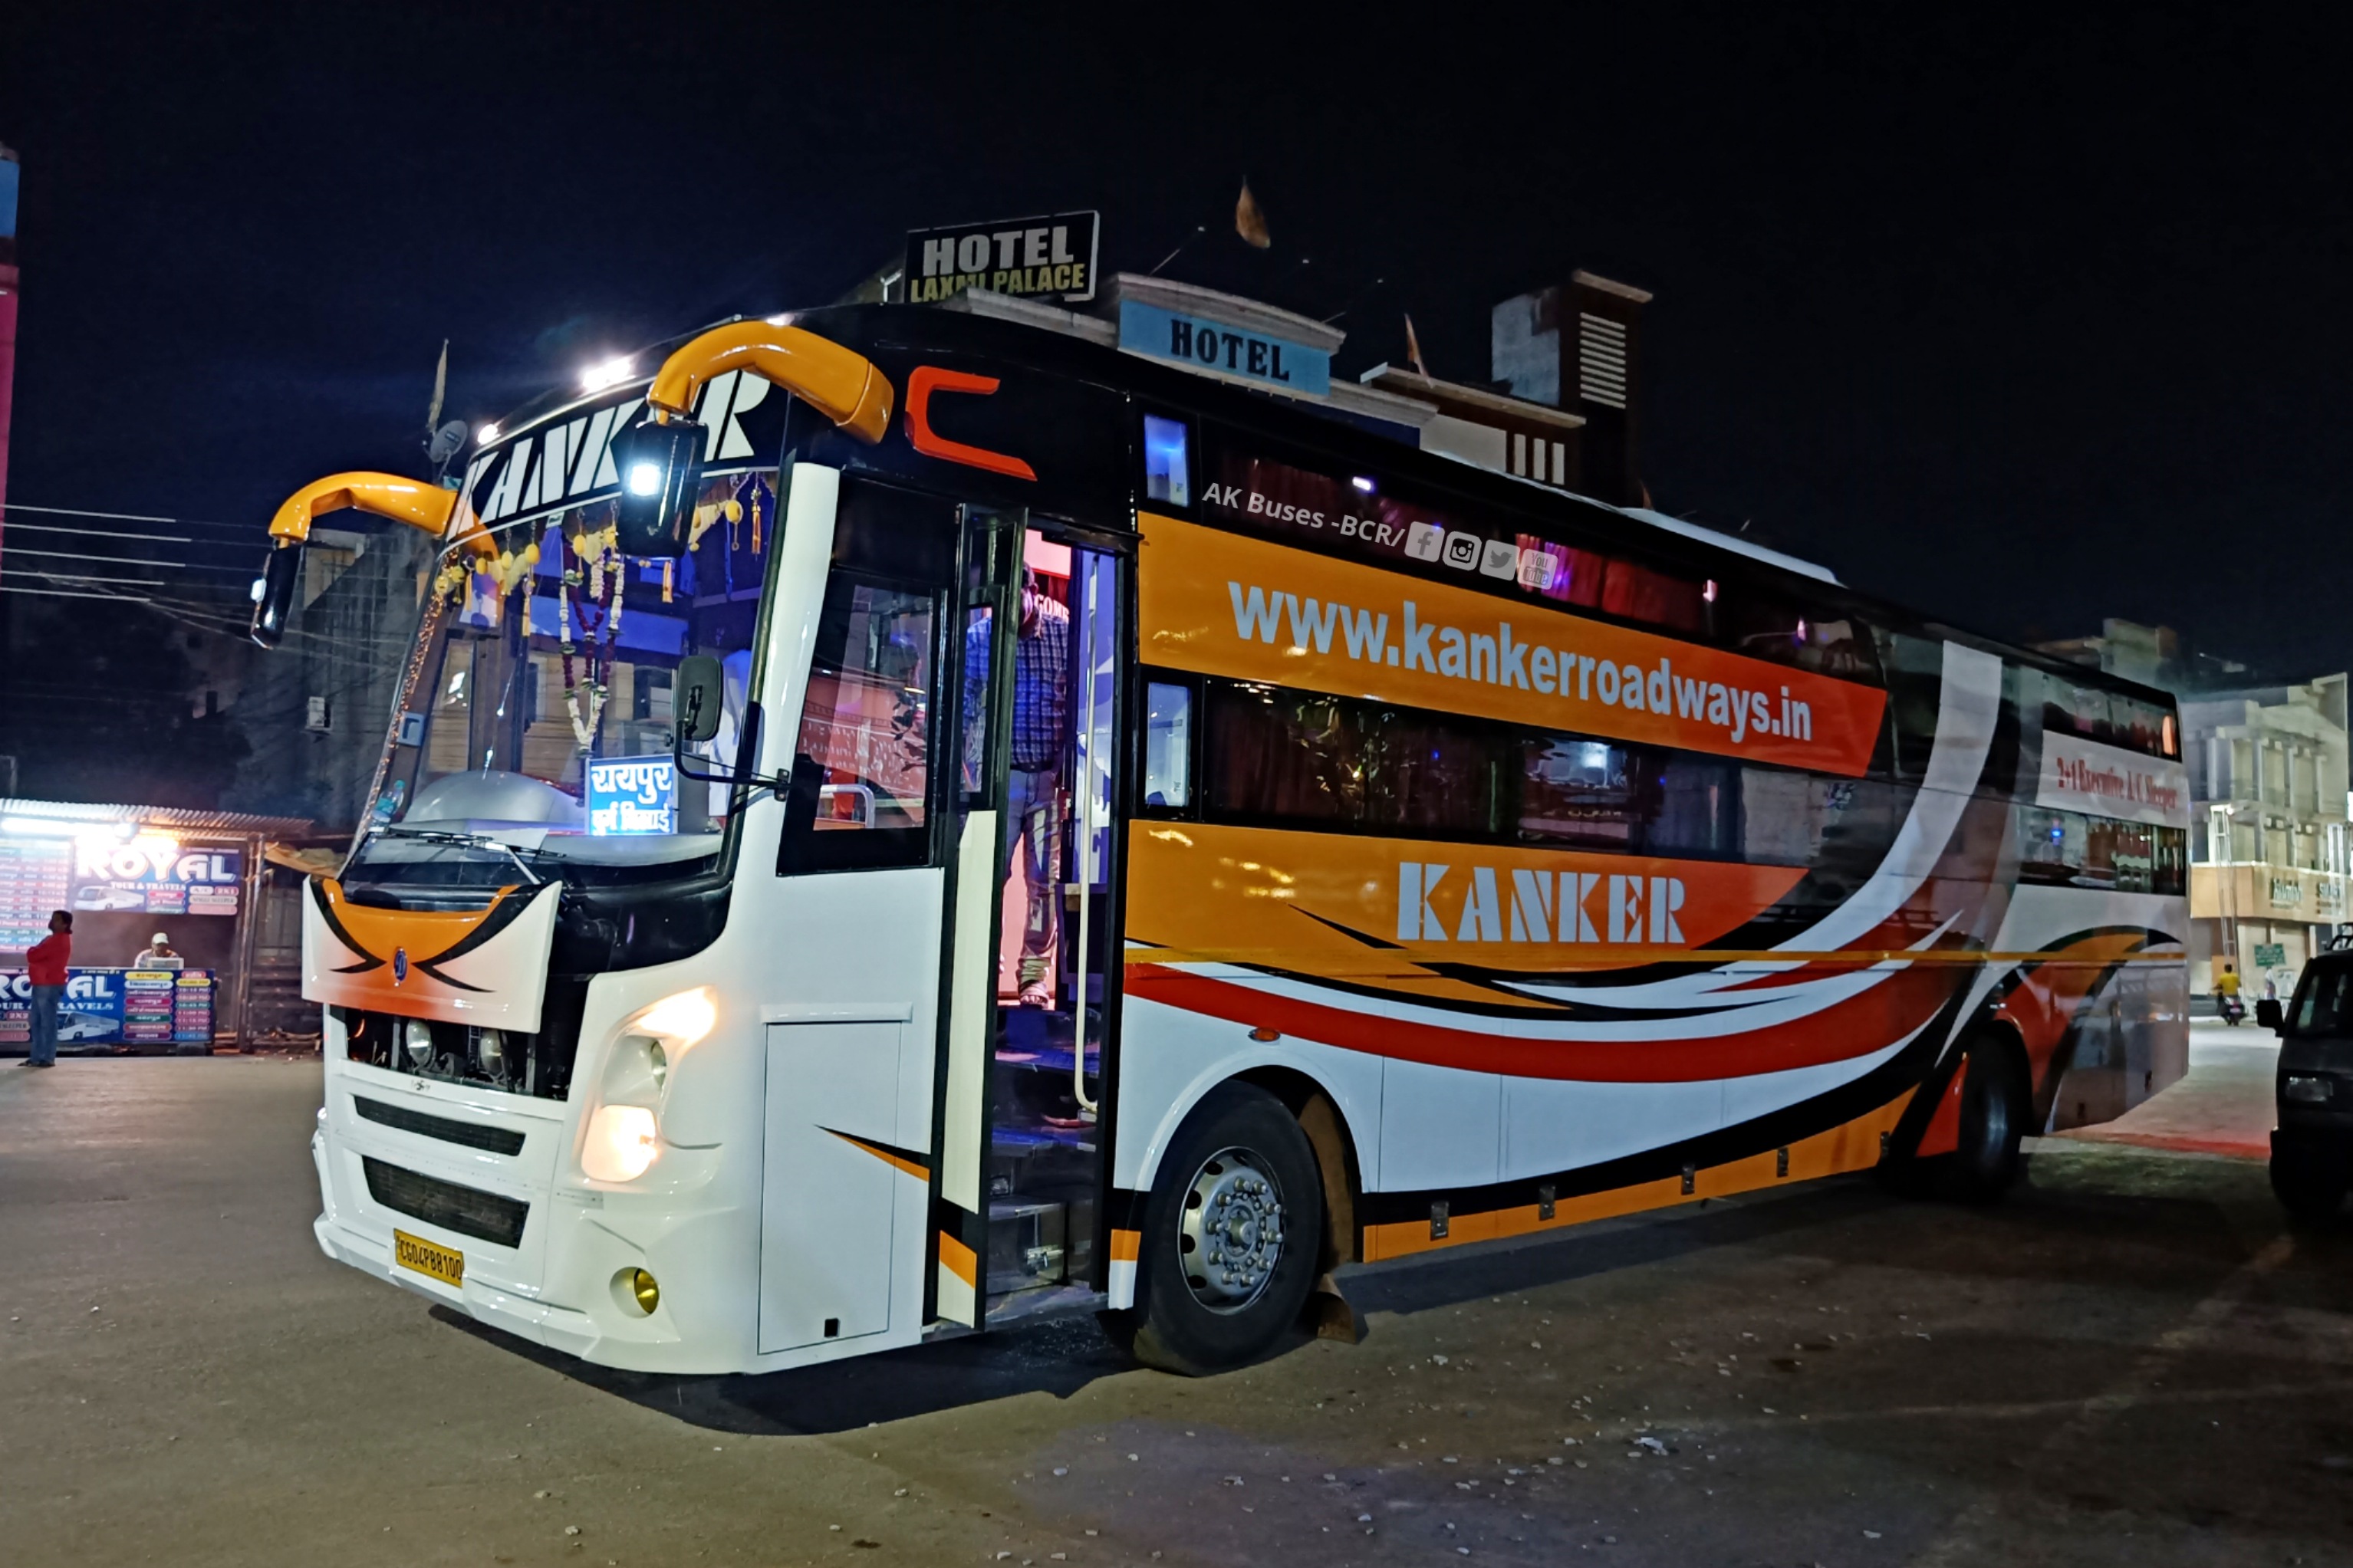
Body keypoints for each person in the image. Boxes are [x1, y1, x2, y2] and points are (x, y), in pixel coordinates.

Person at [965, 567, 1071, 1008]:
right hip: (999, 777)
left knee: (1044, 883)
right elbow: (966, 708)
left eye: (1014, 600)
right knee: (989, 880)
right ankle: (984, 971)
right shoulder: (979, 638)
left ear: (1032, 590)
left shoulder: (1064, 632)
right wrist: (971, 772)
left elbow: (1081, 700)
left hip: (1049, 779)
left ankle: (1033, 980)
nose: (1005, 612)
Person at [21, 910, 72, 1068]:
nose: (52, 922)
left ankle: (47, 1058)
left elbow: (33, 955)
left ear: (65, 924)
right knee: (37, 1021)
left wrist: (32, 950)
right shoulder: (53, 939)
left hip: (49, 984)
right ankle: (37, 1057)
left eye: (56, 920)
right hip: (41, 983)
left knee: (47, 1022)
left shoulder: (58, 940)